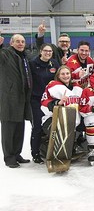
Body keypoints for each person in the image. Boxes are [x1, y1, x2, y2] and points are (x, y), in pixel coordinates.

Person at [0, 34, 32, 168]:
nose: (20, 44)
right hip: (9, 98)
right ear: (11, 43)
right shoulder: (5, 54)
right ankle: (9, 157)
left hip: (22, 97)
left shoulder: (24, 56)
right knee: (9, 129)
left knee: (20, 128)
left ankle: (16, 153)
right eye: (17, 41)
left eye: (22, 41)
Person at [29, 43, 60, 164]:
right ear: (40, 51)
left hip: (51, 100)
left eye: (50, 51)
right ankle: (35, 153)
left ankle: (50, 150)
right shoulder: (33, 64)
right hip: (37, 100)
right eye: (46, 51)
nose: (48, 53)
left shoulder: (54, 63)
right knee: (37, 126)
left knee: (51, 126)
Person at [41, 66, 83, 132]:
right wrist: (58, 102)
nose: (65, 76)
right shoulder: (53, 86)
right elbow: (44, 104)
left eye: (67, 73)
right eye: (62, 74)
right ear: (58, 76)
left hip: (73, 124)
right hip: (53, 119)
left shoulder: (77, 88)